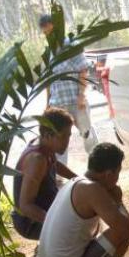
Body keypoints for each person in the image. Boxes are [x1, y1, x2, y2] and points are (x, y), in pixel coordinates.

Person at [36, 143, 129, 257]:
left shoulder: (75, 182)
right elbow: (124, 228)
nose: (117, 180)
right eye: (117, 174)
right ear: (109, 174)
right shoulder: (92, 190)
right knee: (125, 232)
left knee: (109, 229)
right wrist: (118, 201)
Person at [39, 13, 97, 164]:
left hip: (75, 101)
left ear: (58, 28)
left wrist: (82, 95)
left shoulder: (71, 46)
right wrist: (48, 104)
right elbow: (48, 81)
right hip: (58, 105)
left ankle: (98, 166)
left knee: (87, 133)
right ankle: (58, 177)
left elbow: (83, 70)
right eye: (45, 33)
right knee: (58, 140)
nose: (48, 36)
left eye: (50, 32)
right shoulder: (49, 52)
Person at [12, 107, 77, 240]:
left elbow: (55, 164)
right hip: (29, 222)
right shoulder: (37, 160)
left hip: (46, 209)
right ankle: (47, 253)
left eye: (69, 136)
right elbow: (25, 206)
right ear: (48, 135)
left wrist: (77, 178)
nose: (67, 141)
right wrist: (56, 222)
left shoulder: (45, 145)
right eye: (64, 136)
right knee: (76, 230)